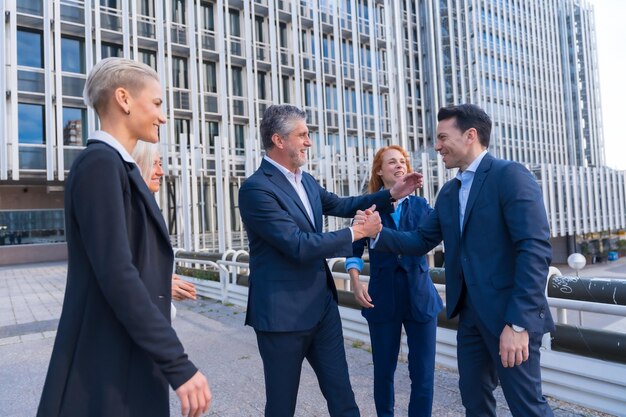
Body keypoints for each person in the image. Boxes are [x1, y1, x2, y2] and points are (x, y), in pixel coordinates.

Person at [37, 58, 211, 417]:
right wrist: (178, 364)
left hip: (123, 358)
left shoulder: (117, 167)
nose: (163, 117)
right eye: (158, 103)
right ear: (124, 98)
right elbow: (117, 272)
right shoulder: (100, 165)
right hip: (105, 369)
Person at [358, 104, 555, 417]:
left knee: (526, 406)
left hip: (510, 318)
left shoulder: (510, 176)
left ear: (470, 135)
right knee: (474, 402)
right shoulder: (449, 193)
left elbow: (534, 251)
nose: (436, 146)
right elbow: (419, 241)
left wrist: (519, 323)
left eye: (442, 138)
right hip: (471, 319)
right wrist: (377, 233)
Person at [238, 104, 422, 417]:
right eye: (303, 135)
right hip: (282, 317)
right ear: (279, 140)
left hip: (322, 309)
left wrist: (391, 194)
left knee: (343, 398)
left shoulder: (306, 181)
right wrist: (356, 232)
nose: (309, 142)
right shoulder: (256, 189)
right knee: (281, 407)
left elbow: (342, 204)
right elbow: (297, 245)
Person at [346, 145, 442, 417]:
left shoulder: (422, 206)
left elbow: (424, 242)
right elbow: (352, 250)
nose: (400, 165)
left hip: (420, 296)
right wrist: (355, 281)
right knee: (384, 371)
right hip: (382, 297)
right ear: (380, 170)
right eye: (392, 162)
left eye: (403, 161)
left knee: (423, 374)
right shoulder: (368, 208)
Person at [132, 141, 197, 302]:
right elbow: (116, 270)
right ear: (136, 165)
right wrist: (159, 285)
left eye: (160, 164)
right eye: (154, 164)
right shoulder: (130, 209)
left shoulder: (144, 206)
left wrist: (163, 278)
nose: (161, 172)